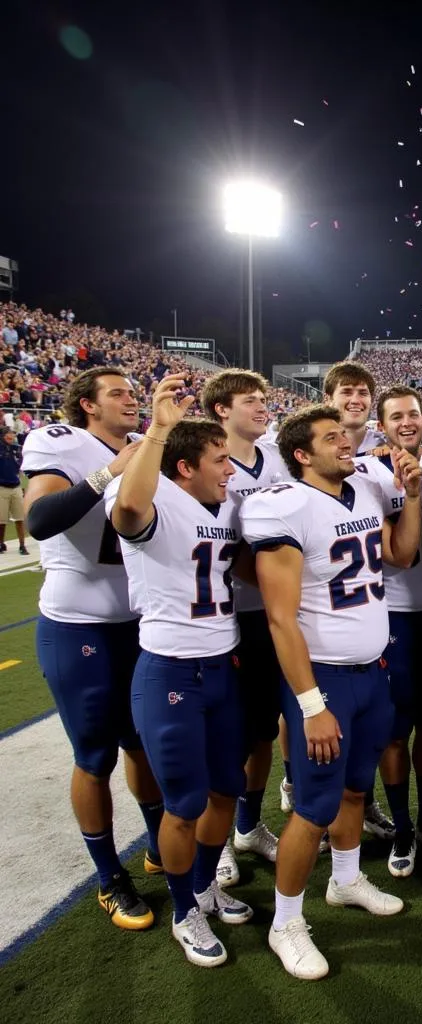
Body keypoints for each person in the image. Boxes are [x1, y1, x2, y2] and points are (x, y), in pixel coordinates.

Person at [241, 405, 422, 980]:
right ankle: (286, 922)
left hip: (372, 669)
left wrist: (413, 497)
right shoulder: (286, 505)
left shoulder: (365, 489)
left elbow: (400, 555)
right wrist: (312, 704)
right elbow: (280, 618)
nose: (347, 443)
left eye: (346, 435)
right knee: (314, 806)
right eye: (331, 438)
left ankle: (346, 881)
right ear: (301, 453)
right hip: (326, 679)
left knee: (353, 789)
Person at [105, 372, 254, 968]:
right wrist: (160, 432)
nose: (229, 468)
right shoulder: (159, 497)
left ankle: (202, 884)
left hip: (221, 665)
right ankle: (182, 907)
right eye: (218, 458)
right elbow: (129, 508)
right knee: (184, 803)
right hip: (170, 671)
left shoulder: (221, 504)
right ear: (185, 467)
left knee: (228, 787)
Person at [21, 367, 163, 931]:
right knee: (95, 755)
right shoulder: (61, 442)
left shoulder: (142, 446)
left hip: (140, 625)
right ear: (86, 405)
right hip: (80, 626)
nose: (132, 399)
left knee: (143, 744)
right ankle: (109, 875)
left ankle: (157, 842)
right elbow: (39, 519)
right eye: (119, 394)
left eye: (133, 392)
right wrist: (108, 472)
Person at [358, 385, 422, 877]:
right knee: (395, 730)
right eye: (396, 415)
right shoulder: (368, 475)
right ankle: (400, 825)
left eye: (414, 414)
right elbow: (392, 552)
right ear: (382, 424)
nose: (406, 421)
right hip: (394, 616)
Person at [201, 371, 289, 887]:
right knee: (231, 734)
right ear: (220, 411)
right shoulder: (212, 464)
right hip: (232, 615)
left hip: (277, 612)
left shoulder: (275, 456)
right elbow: (225, 550)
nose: (262, 406)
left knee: (262, 730)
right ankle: (213, 850)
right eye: (250, 401)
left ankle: (248, 825)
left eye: (263, 399)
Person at [322, 358, 394, 839]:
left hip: (367, 605)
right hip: (317, 615)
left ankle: (359, 808)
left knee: (365, 735)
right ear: (329, 398)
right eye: (346, 392)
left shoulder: (375, 459)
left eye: (363, 392)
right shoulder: (300, 447)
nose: (355, 399)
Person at [0, 426, 29, 554]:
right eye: (8, 434)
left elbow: (22, 466)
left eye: (12, 434)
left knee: (20, 518)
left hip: (16, 486)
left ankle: (22, 545)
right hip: (1, 487)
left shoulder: (16, 449)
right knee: (1, 520)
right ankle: (1, 543)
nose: (11, 436)